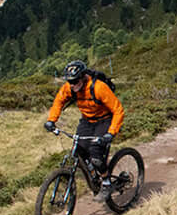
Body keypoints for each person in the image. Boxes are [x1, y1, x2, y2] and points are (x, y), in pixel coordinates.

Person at [44, 59, 125, 199]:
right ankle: (94, 176)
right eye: (70, 82)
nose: (73, 85)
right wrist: (51, 120)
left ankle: (106, 182)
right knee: (78, 150)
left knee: (95, 153)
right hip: (87, 121)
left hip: (105, 120)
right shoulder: (70, 87)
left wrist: (111, 133)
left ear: (83, 77)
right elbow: (59, 101)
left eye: (75, 81)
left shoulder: (98, 88)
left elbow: (118, 110)